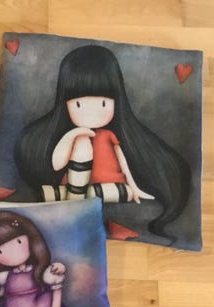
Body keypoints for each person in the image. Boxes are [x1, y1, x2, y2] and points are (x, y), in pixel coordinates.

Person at [16, 45, 191, 242]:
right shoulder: (77, 138)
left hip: (109, 186)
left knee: (106, 191)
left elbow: (124, 162)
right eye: (79, 104)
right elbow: (57, 164)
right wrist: (72, 135)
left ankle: (71, 199)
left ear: (116, 101)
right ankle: (76, 198)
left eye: (103, 104)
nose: (91, 113)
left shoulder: (109, 135)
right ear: (65, 104)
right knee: (82, 145)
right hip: (78, 185)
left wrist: (134, 186)